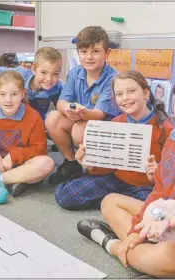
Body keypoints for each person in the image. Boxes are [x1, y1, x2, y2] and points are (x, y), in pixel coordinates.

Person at [77, 64, 175, 278]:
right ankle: (137, 250)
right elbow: (161, 191)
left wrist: (164, 219)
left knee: (164, 258)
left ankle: (114, 245)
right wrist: (138, 230)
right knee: (110, 201)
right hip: (168, 222)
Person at [55, 70, 173, 210]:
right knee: (65, 196)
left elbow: (173, 173)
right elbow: (104, 168)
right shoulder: (115, 123)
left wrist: (157, 172)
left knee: (152, 209)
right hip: (114, 180)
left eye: (131, 91)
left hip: (145, 187)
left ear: (146, 93)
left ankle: (113, 203)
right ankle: (115, 203)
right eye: (119, 94)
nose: (125, 98)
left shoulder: (165, 128)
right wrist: (89, 163)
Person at [45, 26, 121, 185]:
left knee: (79, 129)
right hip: (81, 118)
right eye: (84, 51)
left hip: (106, 127)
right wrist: (68, 109)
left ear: (107, 53)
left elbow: (99, 114)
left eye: (95, 51)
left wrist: (79, 113)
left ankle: (93, 170)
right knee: (52, 118)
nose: (89, 57)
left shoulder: (112, 78)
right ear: (78, 53)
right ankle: (71, 163)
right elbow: (61, 102)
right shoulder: (75, 73)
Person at [0, 47, 63, 122]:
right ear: (33, 69)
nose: (49, 79)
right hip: (12, 119)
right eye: (43, 72)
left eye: (55, 74)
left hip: (36, 123)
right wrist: (7, 85)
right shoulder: (21, 74)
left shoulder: (58, 87)